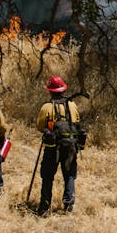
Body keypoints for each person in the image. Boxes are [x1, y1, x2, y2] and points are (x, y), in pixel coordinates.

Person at [35, 75, 84, 216]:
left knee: (47, 176)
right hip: (70, 146)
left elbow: (40, 126)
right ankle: (68, 206)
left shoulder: (47, 107)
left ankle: (44, 207)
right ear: (63, 90)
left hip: (52, 148)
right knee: (69, 175)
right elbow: (77, 122)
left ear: (50, 91)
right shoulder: (72, 105)